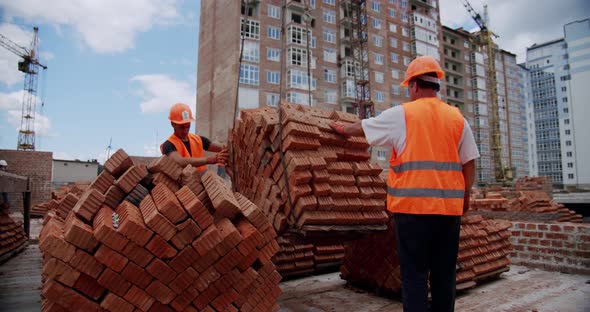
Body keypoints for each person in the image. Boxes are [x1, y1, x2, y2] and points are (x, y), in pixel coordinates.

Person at [330, 55, 479, 312]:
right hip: (448, 213)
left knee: (414, 276)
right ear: (436, 86)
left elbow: (364, 128)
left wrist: (342, 130)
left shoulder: (404, 115)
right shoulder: (457, 118)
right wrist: (464, 199)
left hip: (412, 213)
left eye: (408, 87)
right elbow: (470, 163)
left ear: (414, 85)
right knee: (444, 275)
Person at [160, 103, 228, 170]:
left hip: (202, 180)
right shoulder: (168, 145)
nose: (185, 131)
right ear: (173, 124)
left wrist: (227, 151)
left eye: (188, 126)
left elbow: (223, 148)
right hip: (183, 181)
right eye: (182, 127)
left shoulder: (198, 139)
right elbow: (180, 162)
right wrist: (209, 160)